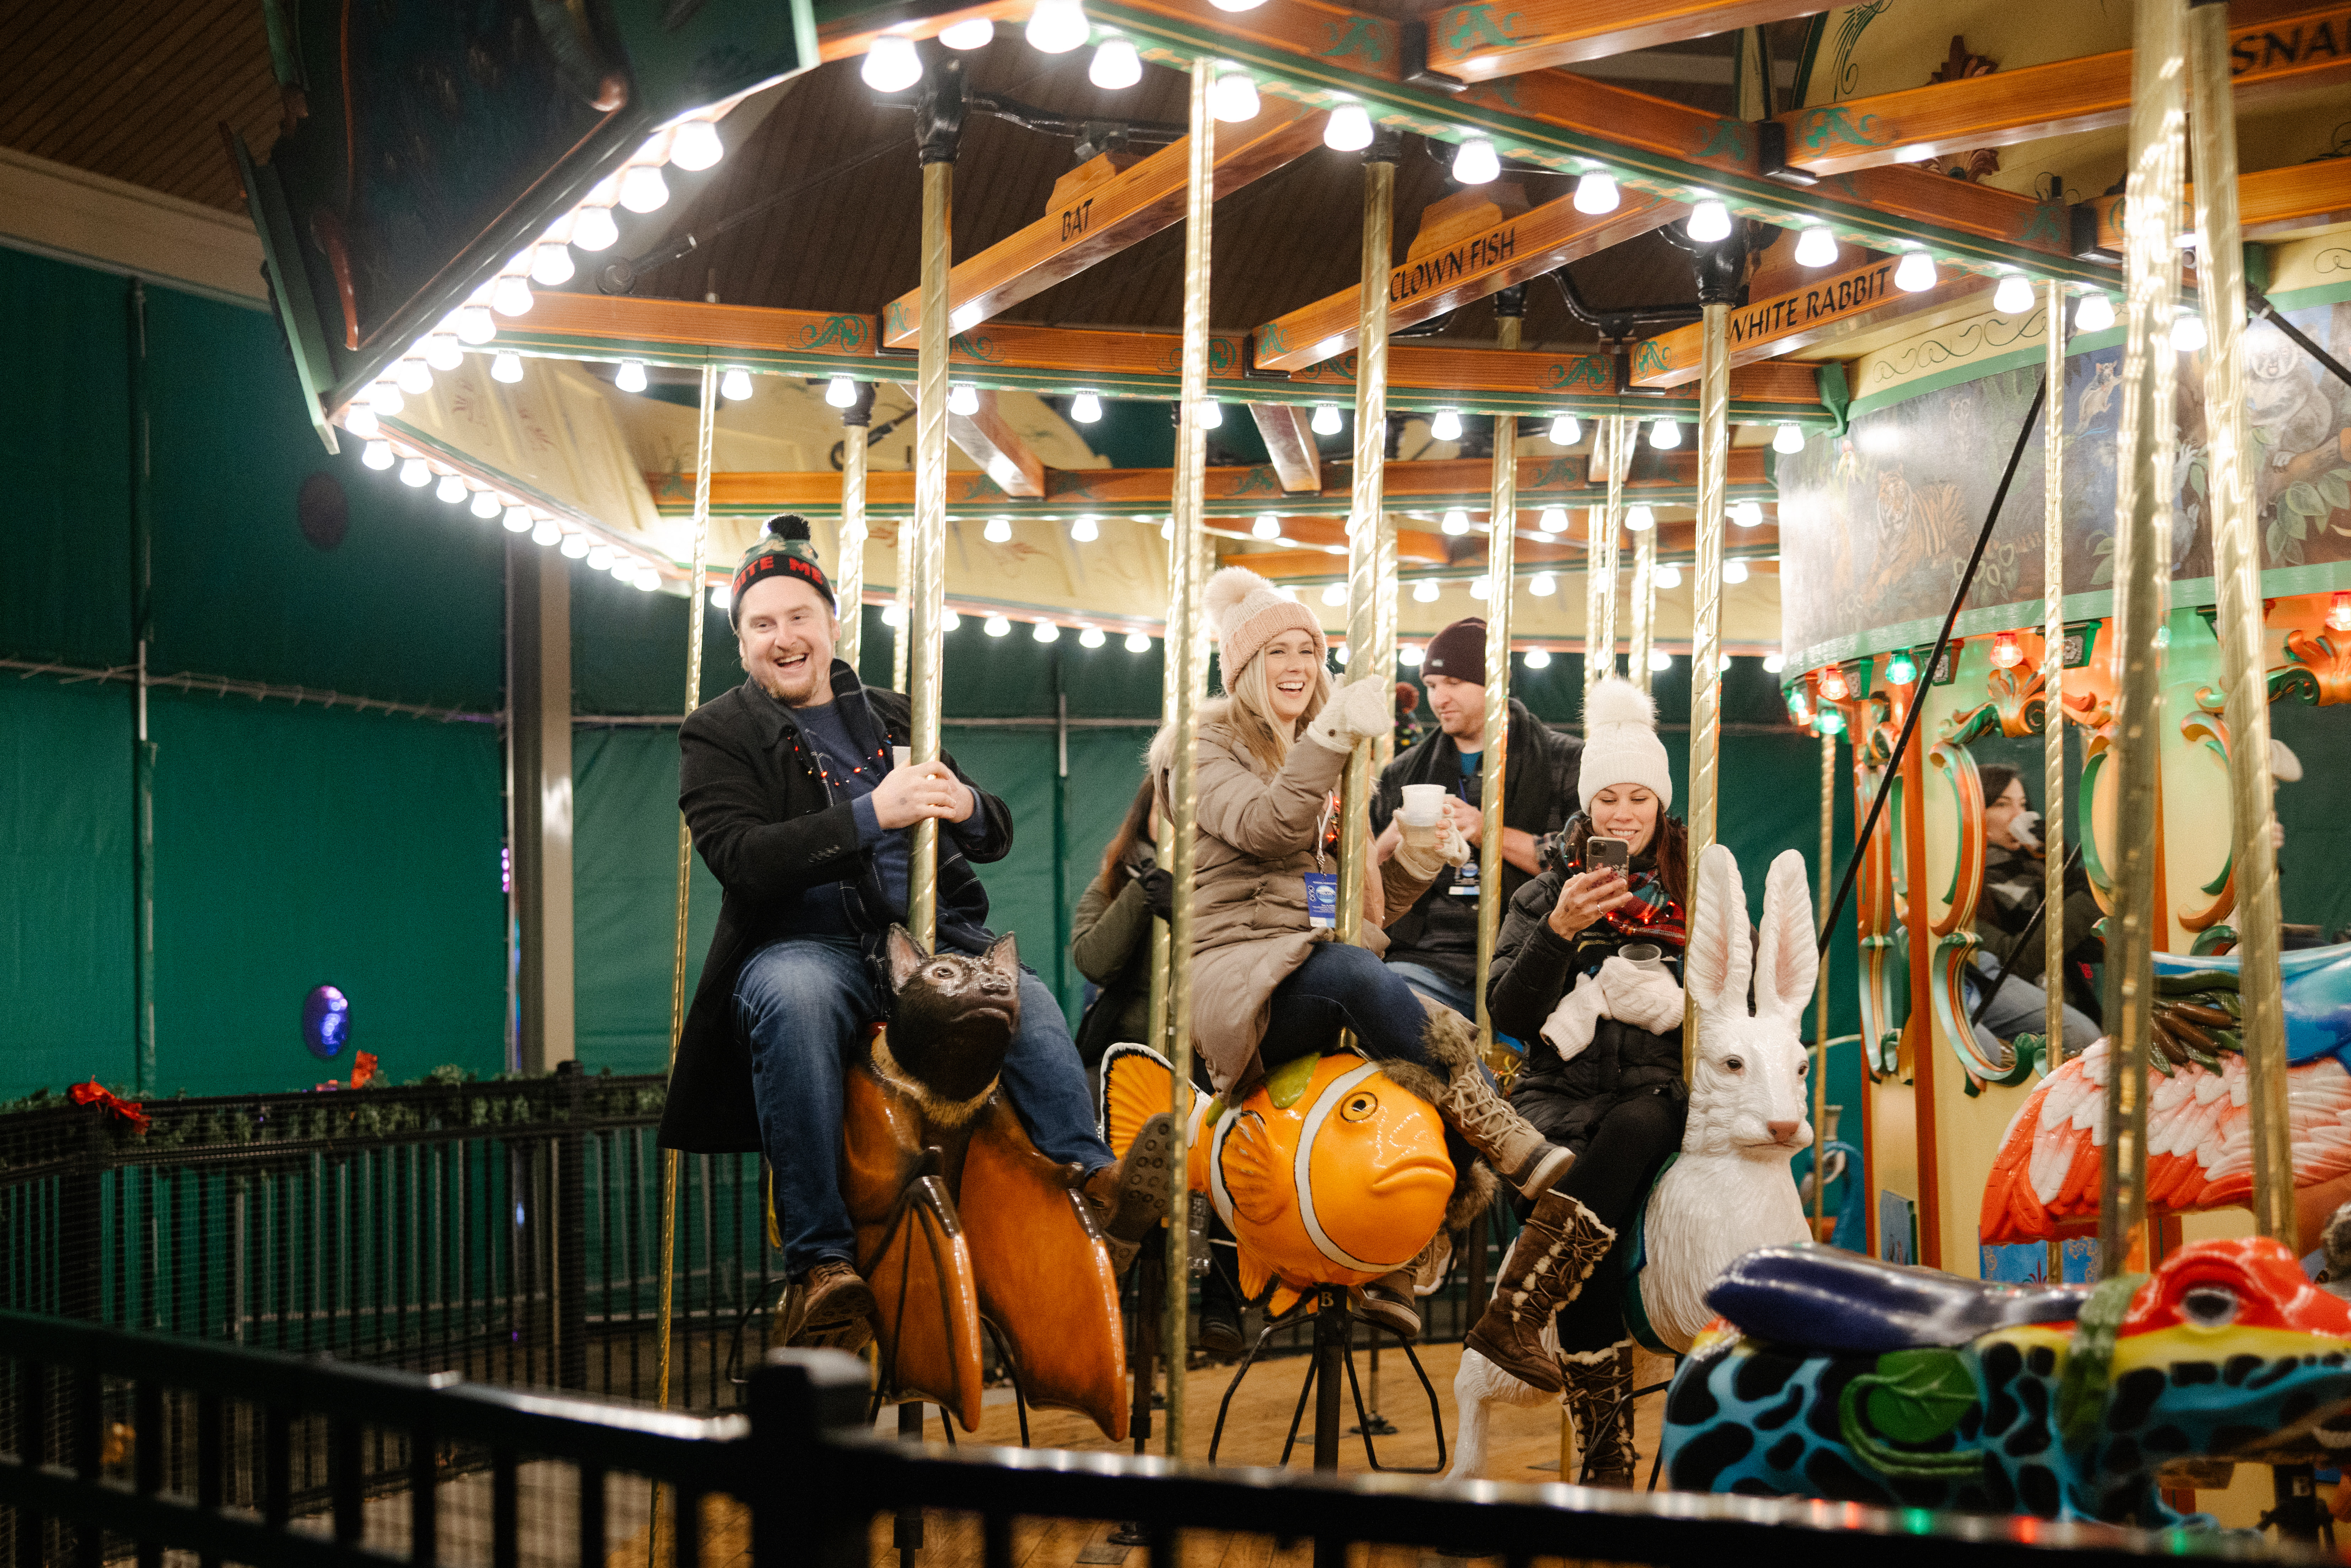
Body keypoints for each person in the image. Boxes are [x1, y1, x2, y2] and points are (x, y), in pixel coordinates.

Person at [656, 515, 1171, 1347]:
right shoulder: (719, 731)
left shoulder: (893, 712)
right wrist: (868, 816)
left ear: (830, 625)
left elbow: (993, 829)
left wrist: (962, 803)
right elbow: (740, 857)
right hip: (803, 938)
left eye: (797, 617)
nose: (783, 637)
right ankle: (821, 1261)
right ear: (741, 641)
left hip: (926, 936)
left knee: (1019, 992)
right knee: (792, 996)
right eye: (762, 624)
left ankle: (1091, 1173)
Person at [1152, 566, 1579, 1341]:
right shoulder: (1202, 747)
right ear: (1242, 668)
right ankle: (1504, 1136)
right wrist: (1329, 740)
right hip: (1242, 979)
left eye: (1307, 652)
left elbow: (1357, 910)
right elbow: (1266, 829)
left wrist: (1417, 859)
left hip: (1314, 966)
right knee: (1368, 977)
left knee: (1397, 1024)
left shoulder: (1332, 762)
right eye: (1276, 652)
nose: (1295, 667)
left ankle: (1403, 1248)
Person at [1476, 678, 1693, 1481]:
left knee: (1634, 1126)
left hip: (1656, 1094)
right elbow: (1510, 1014)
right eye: (1609, 797)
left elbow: (1734, 998)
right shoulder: (1542, 892)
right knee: (1581, 1194)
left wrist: (1682, 1004)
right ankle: (1605, 1455)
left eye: (1640, 797)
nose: (1624, 813)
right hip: (1560, 1097)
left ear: (1660, 806)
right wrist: (1559, 930)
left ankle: (1519, 1307)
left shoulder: (1692, 894)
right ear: (1586, 807)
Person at [1371, 617, 1583, 1020]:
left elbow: (1586, 859)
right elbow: (1360, 881)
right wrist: (1393, 838)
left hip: (1532, 957)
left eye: (1453, 683)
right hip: (1427, 961)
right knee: (1384, 1006)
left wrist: (1487, 830)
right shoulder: (1402, 773)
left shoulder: (1566, 760)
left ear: (1495, 684)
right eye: (1432, 686)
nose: (1439, 699)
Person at [1967, 763, 2101, 1063]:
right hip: (2022, 1029)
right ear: (1975, 812)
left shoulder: (2034, 871)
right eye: (2002, 804)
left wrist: (2063, 864)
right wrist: (2083, 899)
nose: (2019, 815)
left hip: (2070, 998)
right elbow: (2013, 959)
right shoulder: (1965, 888)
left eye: (2023, 804)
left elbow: (2091, 947)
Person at [1070, 780, 1168, 1074]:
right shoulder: (1114, 880)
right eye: (1159, 810)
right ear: (1143, 819)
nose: (1171, 819)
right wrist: (1142, 889)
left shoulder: (1222, 882)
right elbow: (1093, 963)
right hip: (1124, 1049)